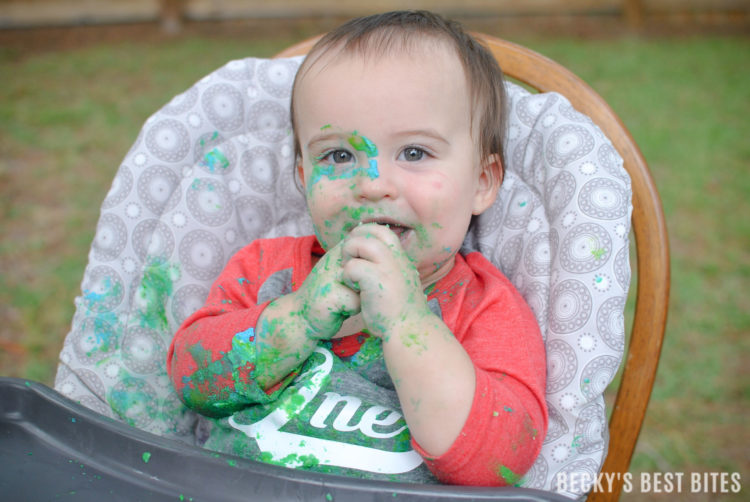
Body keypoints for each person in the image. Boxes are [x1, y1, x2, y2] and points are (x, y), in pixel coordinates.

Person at [167, 10, 547, 486]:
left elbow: (497, 461)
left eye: (414, 153)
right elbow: (192, 382)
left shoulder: (486, 308)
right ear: (303, 177)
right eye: (339, 155)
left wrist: (409, 325)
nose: (371, 185)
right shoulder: (267, 272)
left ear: (482, 182)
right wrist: (296, 319)